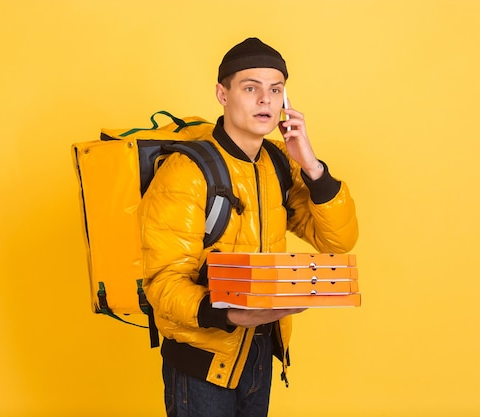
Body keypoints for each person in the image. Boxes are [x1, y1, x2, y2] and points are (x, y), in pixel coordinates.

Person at [139, 37, 358, 417]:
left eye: (275, 90)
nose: (265, 101)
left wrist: (313, 169)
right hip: (202, 360)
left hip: (259, 351)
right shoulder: (186, 173)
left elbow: (337, 240)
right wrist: (226, 314)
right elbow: (162, 281)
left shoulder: (277, 164)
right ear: (222, 94)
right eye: (250, 88)